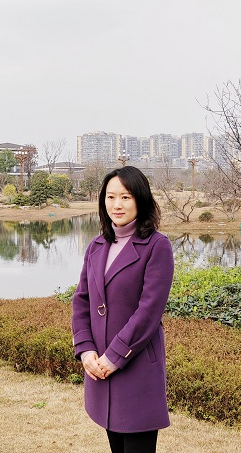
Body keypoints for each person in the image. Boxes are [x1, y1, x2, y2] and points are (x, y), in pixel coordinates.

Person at [71, 166, 174, 453]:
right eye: (111, 197)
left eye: (126, 197)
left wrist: (114, 357)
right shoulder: (97, 245)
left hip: (135, 367)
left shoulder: (157, 246)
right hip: (100, 368)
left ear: (141, 199)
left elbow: (149, 311)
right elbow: (82, 300)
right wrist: (86, 350)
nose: (117, 204)